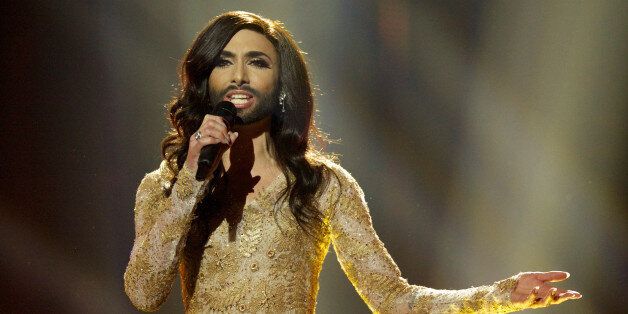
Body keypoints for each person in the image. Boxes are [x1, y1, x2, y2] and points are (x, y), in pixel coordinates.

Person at [123, 11, 582, 313]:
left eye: (257, 62)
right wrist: (190, 181)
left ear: (281, 82)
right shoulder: (164, 187)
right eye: (225, 61)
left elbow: (391, 297)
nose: (240, 75)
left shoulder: (322, 185)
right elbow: (143, 294)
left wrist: (497, 296)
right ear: (206, 78)